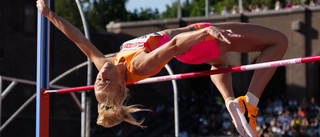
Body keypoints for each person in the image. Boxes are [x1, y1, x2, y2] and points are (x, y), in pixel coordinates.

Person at [36, 0, 288, 136]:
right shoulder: (139, 65)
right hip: (196, 41)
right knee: (279, 41)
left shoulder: (111, 64)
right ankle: (250, 104)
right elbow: (176, 45)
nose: (100, 74)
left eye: (99, 80)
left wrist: (48, 14)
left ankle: (231, 100)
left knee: (220, 65)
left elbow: (79, 38)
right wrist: (205, 31)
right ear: (121, 84)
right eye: (105, 81)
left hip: (196, 50)